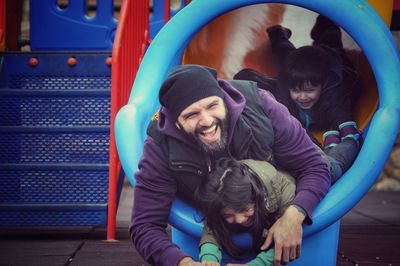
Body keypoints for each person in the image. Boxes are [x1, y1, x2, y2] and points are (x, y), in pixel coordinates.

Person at [130, 64, 331, 266]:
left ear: (224, 100)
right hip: (219, 221)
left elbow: (314, 166)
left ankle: (341, 142)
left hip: (281, 188)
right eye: (192, 115)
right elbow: (145, 225)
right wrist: (183, 263)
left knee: (335, 166)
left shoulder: (260, 105)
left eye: (212, 106)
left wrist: (295, 214)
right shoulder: (160, 145)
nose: (207, 121)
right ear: (176, 122)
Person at [196, 139, 359, 265]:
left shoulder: (280, 191)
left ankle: (350, 140)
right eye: (228, 215)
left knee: (336, 162)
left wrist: (256, 265)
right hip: (277, 167)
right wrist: (209, 258)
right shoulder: (226, 188)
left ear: (255, 196)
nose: (239, 220)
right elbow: (212, 228)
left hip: (317, 169)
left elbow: (288, 234)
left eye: (244, 209)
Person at [233, 15, 362, 149]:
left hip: (333, 61)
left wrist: (344, 133)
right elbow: (289, 122)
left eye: (310, 90)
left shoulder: (334, 90)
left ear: (322, 85)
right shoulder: (285, 86)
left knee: (330, 41)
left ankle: (326, 22)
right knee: (286, 53)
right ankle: (278, 34)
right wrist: (314, 146)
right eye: (296, 91)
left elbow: (341, 115)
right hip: (296, 73)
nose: (302, 97)